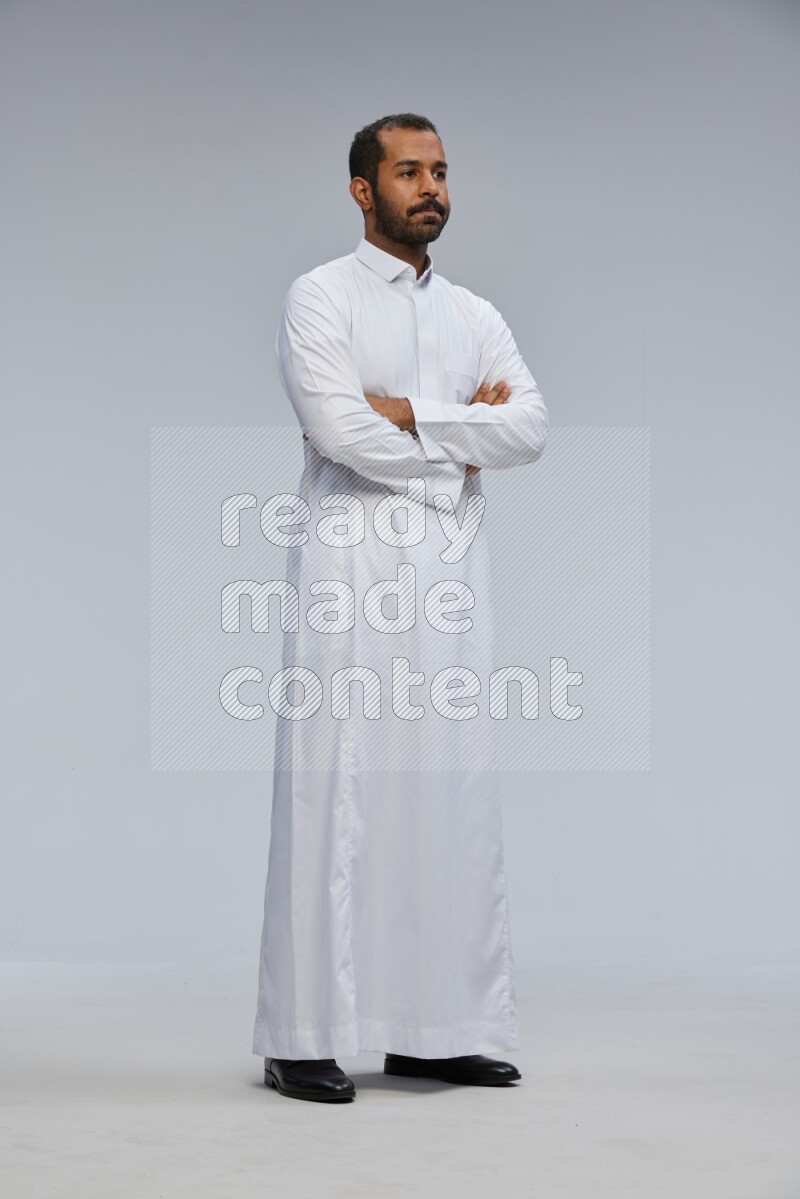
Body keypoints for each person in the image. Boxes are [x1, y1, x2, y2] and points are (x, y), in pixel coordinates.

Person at [252, 112, 548, 1102]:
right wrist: (459, 450)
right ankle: (301, 1033)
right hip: (349, 567)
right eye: (408, 170)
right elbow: (337, 430)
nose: (429, 187)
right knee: (332, 788)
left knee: (445, 791)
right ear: (360, 189)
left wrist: (416, 412)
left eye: (440, 171)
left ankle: (435, 1026)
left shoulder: (472, 312)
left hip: (451, 580)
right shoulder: (319, 297)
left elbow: (531, 426)